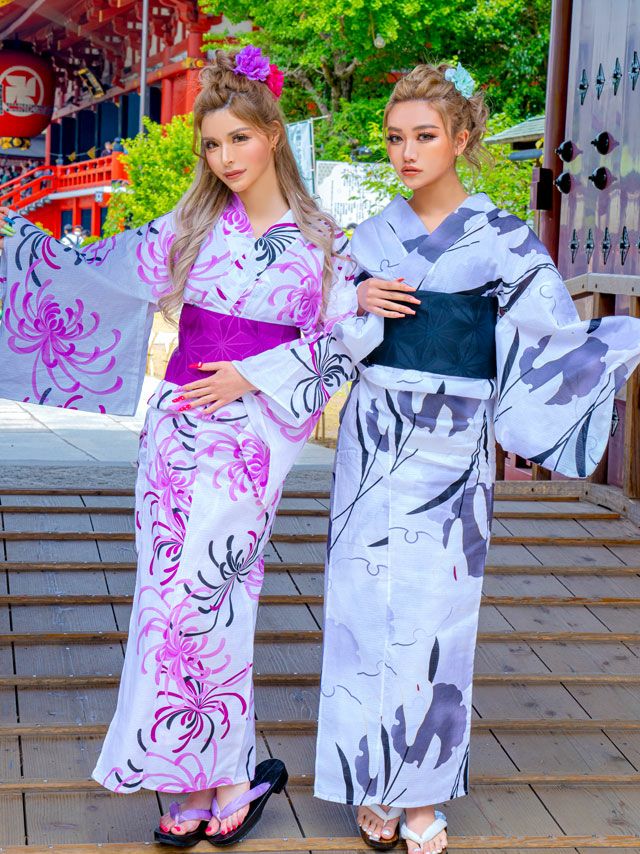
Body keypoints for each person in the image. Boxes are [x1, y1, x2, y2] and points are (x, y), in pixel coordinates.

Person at [0, 45, 379, 847]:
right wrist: (15, 241)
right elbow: (95, 270)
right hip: (175, 428)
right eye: (212, 144)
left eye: (239, 138)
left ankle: (230, 771)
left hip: (253, 436)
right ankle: (187, 776)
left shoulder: (323, 240)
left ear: (272, 135)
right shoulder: (193, 223)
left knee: (218, 595)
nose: (225, 157)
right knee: (163, 598)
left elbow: (352, 335)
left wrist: (254, 375)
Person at [312, 62, 640, 854]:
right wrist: (352, 301)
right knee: (363, 607)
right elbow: (324, 324)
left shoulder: (504, 238)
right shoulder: (370, 236)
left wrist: (614, 343)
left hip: (453, 442)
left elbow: (550, 341)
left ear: (462, 139)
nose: (407, 152)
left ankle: (421, 790)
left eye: (425, 136)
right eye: (395, 138)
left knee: (438, 614)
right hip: (374, 433)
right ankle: (370, 780)